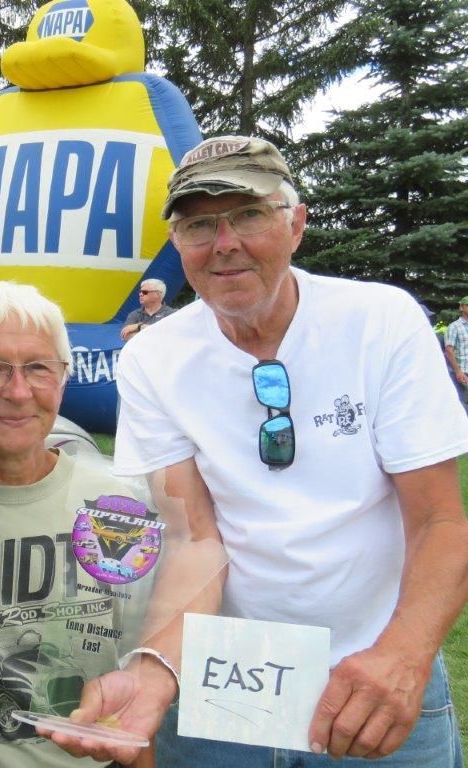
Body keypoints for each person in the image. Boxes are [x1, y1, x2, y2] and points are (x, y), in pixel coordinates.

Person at [48, 135, 468, 767]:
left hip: (375, 670)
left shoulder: (381, 322)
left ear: (295, 224)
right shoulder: (155, 360)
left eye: (247, 214)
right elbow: (193, 539)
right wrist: (159, 669)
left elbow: (440, 520)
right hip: (226, 683)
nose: (224, 243)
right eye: (198, 225)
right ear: (178, 246)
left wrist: (405, 655)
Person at [0, 281, 221, 768]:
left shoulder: (124, 508)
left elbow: (136, 679)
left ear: (63, 380)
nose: (18, 392)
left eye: (39, 368)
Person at [445, 295, 468, 412]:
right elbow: (449, 350)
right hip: (463, 373)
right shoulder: (454, 327)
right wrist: (458, 371)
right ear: (461, 307)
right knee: (461, 405)